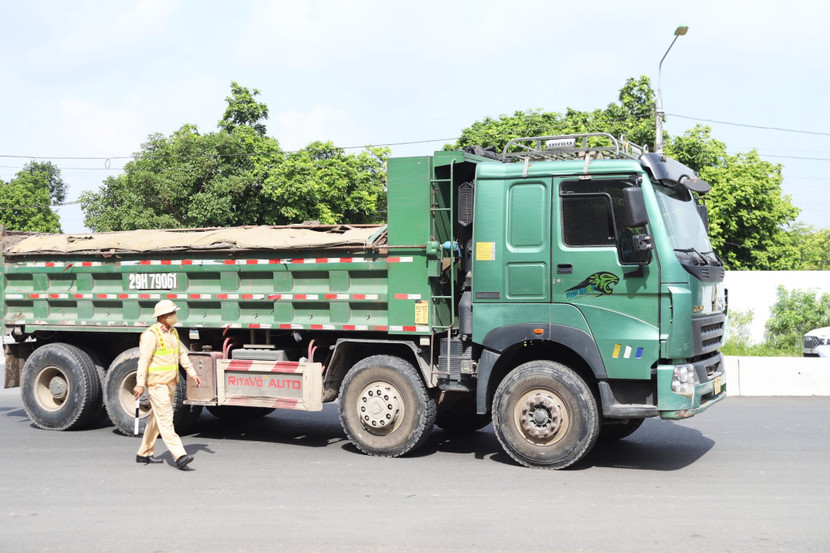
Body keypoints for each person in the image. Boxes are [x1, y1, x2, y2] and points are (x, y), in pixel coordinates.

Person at [133, 299, 201, 470]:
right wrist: (140, 384)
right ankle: (179, 455)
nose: (175, 316)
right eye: (172, 313)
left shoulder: (173, 332)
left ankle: (144, 453)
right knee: (166, 419)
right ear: (163, 316)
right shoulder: (151, 335)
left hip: (171, 383)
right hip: (156, 385)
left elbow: (181, 355)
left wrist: (192, 373)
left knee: (156, 419)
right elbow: (144, 361)